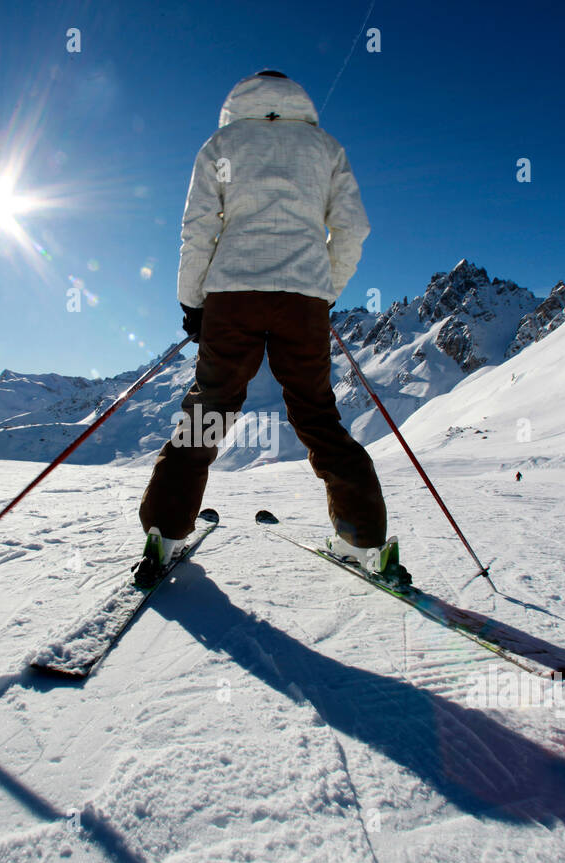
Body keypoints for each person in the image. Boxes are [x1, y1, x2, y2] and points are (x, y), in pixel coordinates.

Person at [134, 70, 409, 587]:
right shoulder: (326, 148)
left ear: (236, 100)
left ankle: (166, 531)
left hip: (231, 293)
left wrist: (192, 301)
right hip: (301, 297)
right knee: (316, 415)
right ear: (299, 101)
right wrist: (324, 290)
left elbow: (199, 228)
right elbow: (352, 227)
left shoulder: (221, 142)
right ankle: (363, 537)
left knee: (211, 407)